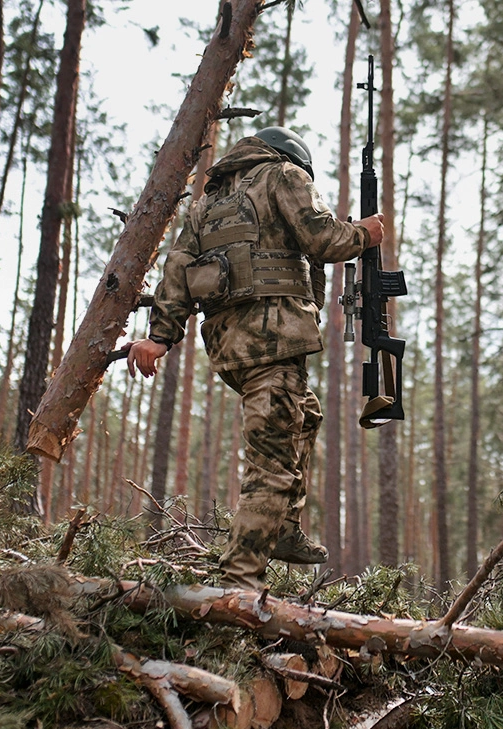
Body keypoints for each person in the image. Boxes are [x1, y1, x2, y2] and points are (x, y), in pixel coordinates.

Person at [127, 127, 384, 590]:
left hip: (232, 349)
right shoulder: (283, 175)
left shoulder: (205, 206)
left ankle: (282, 529)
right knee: (271, 461)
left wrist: (161, 337)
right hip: (276, 340)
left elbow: (176, 270)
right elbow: (323, 238)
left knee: (303, 415)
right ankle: (239, 582)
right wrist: (363, 233)